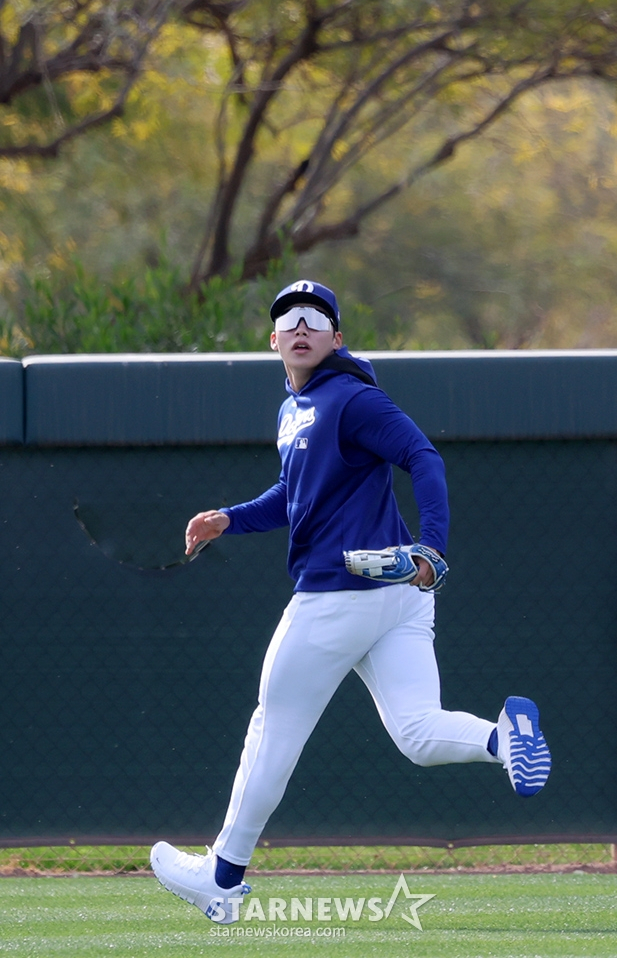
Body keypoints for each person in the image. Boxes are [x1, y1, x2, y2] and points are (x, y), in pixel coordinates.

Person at [150, 280, 551, 923]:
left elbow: (422, 455)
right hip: (396, 601)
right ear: (273, 340)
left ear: (336, 338)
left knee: (272, 730)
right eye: (289, 318)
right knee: (417, 731)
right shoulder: (295, 410)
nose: (301, 326)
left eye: (316, 318)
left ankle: (221, 878)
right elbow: (294, 496)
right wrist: (231, 518)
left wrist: (432, 546)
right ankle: (504, 738)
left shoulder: (349, 397)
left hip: (341, 597)